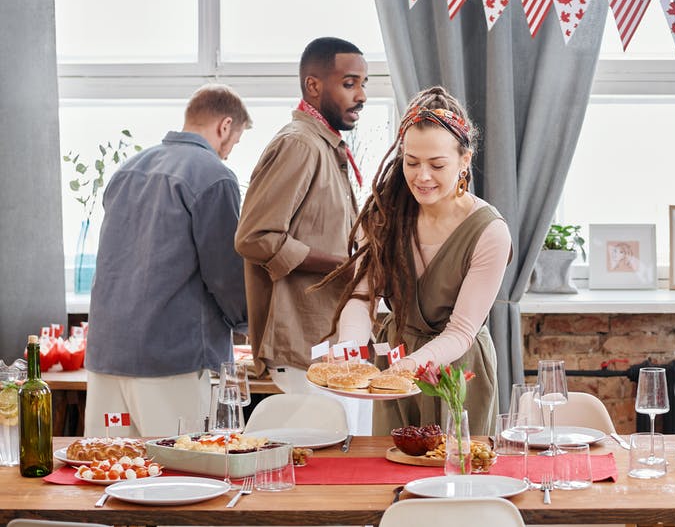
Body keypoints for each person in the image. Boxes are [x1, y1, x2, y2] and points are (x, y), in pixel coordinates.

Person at [327, 86, 510, 435]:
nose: (422, 176)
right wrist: (349, 348)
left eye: (437, 164)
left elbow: (460, 332)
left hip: (459, 367)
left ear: (464, 162)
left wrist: (408, 367)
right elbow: (363, 297)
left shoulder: (490, 231)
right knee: (389, 476)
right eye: (411, 162)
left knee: (456, 473)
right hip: (399, 356)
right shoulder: (383, 216)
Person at [84, 84, 250, 437]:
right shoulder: (213, 174)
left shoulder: (127, 170)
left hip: (107, 355)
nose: (228, 153)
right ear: (224, 126)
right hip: (173, 360)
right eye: (233, 142)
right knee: (184, 472)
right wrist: (248, 322)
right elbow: (225, 273)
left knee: (110, 470)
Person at [235, 37, 367, 428]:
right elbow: (254, 237)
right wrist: (342, 265)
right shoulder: (300, 145)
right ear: (313, 86)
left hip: (328, 340)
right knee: (319, 470)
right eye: (349, 83)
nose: (360, 95)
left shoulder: (327, 147)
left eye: (364, 84)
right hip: (302, 344)